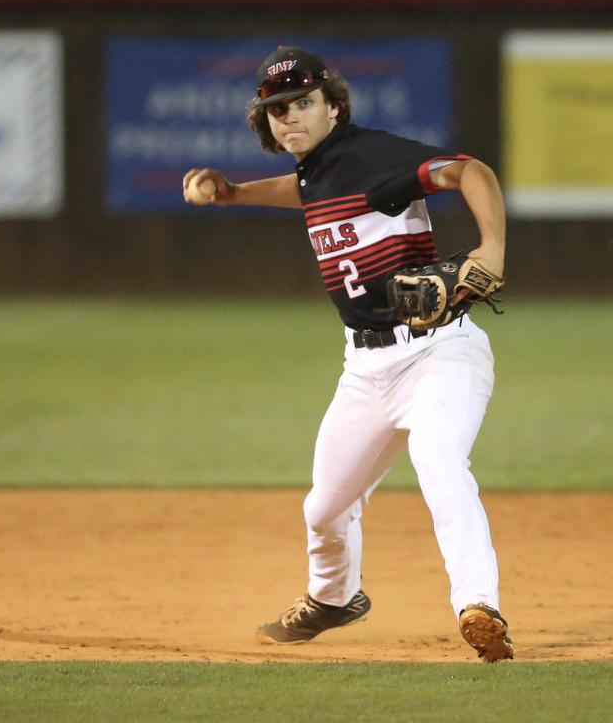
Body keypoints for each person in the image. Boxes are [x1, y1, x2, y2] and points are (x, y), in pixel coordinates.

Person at [181, 45, 513, 662]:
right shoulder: (318, 170)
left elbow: (471, 172)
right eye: (278, 109)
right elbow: (306, 191)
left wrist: (490, 247)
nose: (290, 116)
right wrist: (231, 193)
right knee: (325, 509)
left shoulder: (372, 155)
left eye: (303, 102)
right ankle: (334, 599)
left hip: (439, 353)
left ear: (333, 105)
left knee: (439, 462)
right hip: (364, 370)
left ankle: (478, 606)